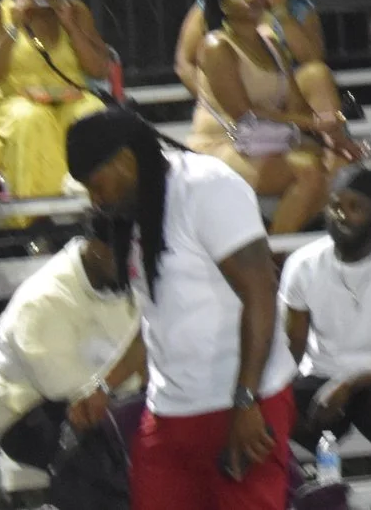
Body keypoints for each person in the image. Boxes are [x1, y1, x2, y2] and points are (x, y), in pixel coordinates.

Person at [65, 106, 295, 510]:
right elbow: (160, 317)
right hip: (170, 413)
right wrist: (105, 386)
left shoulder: (205, 187)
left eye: (97, 185)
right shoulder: (139, 210)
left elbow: (260, 291)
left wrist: (246, 400)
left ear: (126, 160)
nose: (95, 200)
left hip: (237, 405)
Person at [280, 168, 371, 481]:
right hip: (321, 376)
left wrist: (347, 384)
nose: (341, 215)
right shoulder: (302, 264)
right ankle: (321, 477)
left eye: (354, 207)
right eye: (335, 205)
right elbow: (292, 346)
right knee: (272, 401)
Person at [0, 218, 142, 494]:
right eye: (128, 258)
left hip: (101, 396)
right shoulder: (44, 297)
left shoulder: (115, 280)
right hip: (26, 413)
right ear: (100, 249)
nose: (134, 268)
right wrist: (134, 379)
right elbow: (62, 386)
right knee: (108, 455)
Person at [177, 0, 357, 163]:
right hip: (237, 98)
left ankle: (336, 147)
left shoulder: (297, 6)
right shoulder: (215, 5)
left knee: (317, 74)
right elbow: (184, 62)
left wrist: (282, 13)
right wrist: (217, 98)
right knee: (303, 165)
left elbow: (312, 57)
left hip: (278, 89)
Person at [187, 0, 334, 234]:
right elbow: (244, 114)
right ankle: (273, 254)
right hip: (223, 145)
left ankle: (274, 243)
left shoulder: (272, 44)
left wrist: (330, 126)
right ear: (222, 5)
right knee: (309, 172)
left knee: (335, 168)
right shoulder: (216, 45)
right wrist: (312, 123)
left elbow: (297, 106)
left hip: (264, 140)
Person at [0, 0, 113, 199]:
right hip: (16, 102)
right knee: (31, 119)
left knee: (92, 114)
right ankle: (37, 207)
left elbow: (99, 69)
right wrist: (14, 28)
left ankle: (93, 198)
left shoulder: (74, 10)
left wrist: (71, 27)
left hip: (69, 98)